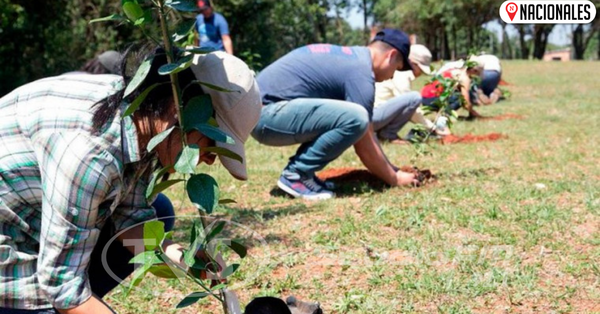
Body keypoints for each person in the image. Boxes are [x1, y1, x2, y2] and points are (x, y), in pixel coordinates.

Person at [0, 45, 261, 313]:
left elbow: (130, 219)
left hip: (33, 215)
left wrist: (186, 260)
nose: (210, 159)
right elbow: (61, 286)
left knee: (159, 212)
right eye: (212, 141)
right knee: (62, 299)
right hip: (9, 236)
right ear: (178, 108)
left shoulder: (144, 113)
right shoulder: (92, 155)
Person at [252, 28, 420, 201]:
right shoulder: (360, 74)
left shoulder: (353, 58)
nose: (392, 76)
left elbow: (367, 132)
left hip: (258, 113)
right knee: (356, 117)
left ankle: (304, 175)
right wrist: (395, 178)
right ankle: (296, 175)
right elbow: (364, 140)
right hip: (267, 115)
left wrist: (392, 169)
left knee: (353, 117)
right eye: (396, 68)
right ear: (391, 56)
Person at [373, 44, 449, 144]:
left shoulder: (397, 71)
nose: (421, 74)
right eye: (421, 70)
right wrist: (433, 128)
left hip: (375, 116)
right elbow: (414, 112)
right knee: (414, 98)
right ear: (412, 63)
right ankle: (387, 135)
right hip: (373, 117)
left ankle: (385, 134)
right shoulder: (400, 75)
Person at [421, 56, 485, 119]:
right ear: (474, 70)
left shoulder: (457, 70)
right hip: (431, 99)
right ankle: (444, 115)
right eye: (477, 73)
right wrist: (474, 113)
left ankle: (442, 114)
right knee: (460, 97)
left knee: (460, 93)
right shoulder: (464, 78)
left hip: (424, 98)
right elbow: (466, 103)